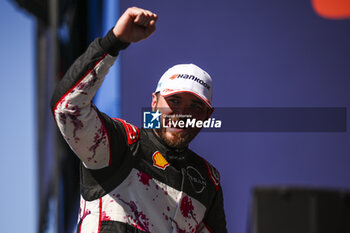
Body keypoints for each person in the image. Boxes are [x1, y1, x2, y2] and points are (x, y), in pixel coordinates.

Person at [51, 6, 227, 233]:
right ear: (154, 102)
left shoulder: (207, 181)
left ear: (207, 116)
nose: (183, 113)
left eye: (195, 106)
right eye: (173, 102)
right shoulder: (121, 144)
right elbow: (67, 109)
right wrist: (114, 41)